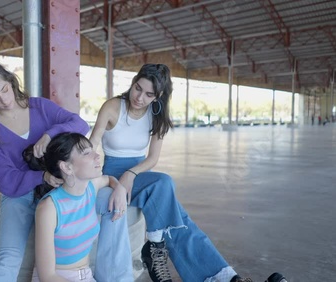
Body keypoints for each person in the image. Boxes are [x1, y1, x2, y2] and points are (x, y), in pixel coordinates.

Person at [89, 63, 288, 282]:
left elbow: (152, 159)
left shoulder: (157, 116)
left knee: (179, 219)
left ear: (159, 96)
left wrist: (131, 174)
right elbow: (93, 144)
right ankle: (157, 248)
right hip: (113, 173)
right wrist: (101, 178)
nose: (139, 98)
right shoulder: (113, 106)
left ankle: (228, 278)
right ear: (133, 82)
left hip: (139, 176)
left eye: (148, 94)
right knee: (165, 185)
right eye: (138, 88)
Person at [0, 58, 132, 282]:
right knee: (8, 256)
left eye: (5, 89)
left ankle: (116, 278)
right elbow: (5, 180)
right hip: (21, 194)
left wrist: (49, 134)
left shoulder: (39, 106)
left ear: (11, 82)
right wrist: (41, 176)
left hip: (63, 187)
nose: (4, 100)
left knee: (113, 203)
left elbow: (79, 124)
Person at [23, 132, 128, 282]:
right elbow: (47, 276)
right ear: (67, 167)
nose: (97, 155)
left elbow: (109, 179)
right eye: (87, 153)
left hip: (86, 275)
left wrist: (119, 188)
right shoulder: (49, 208)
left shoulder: (91, 187)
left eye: (92, 150)